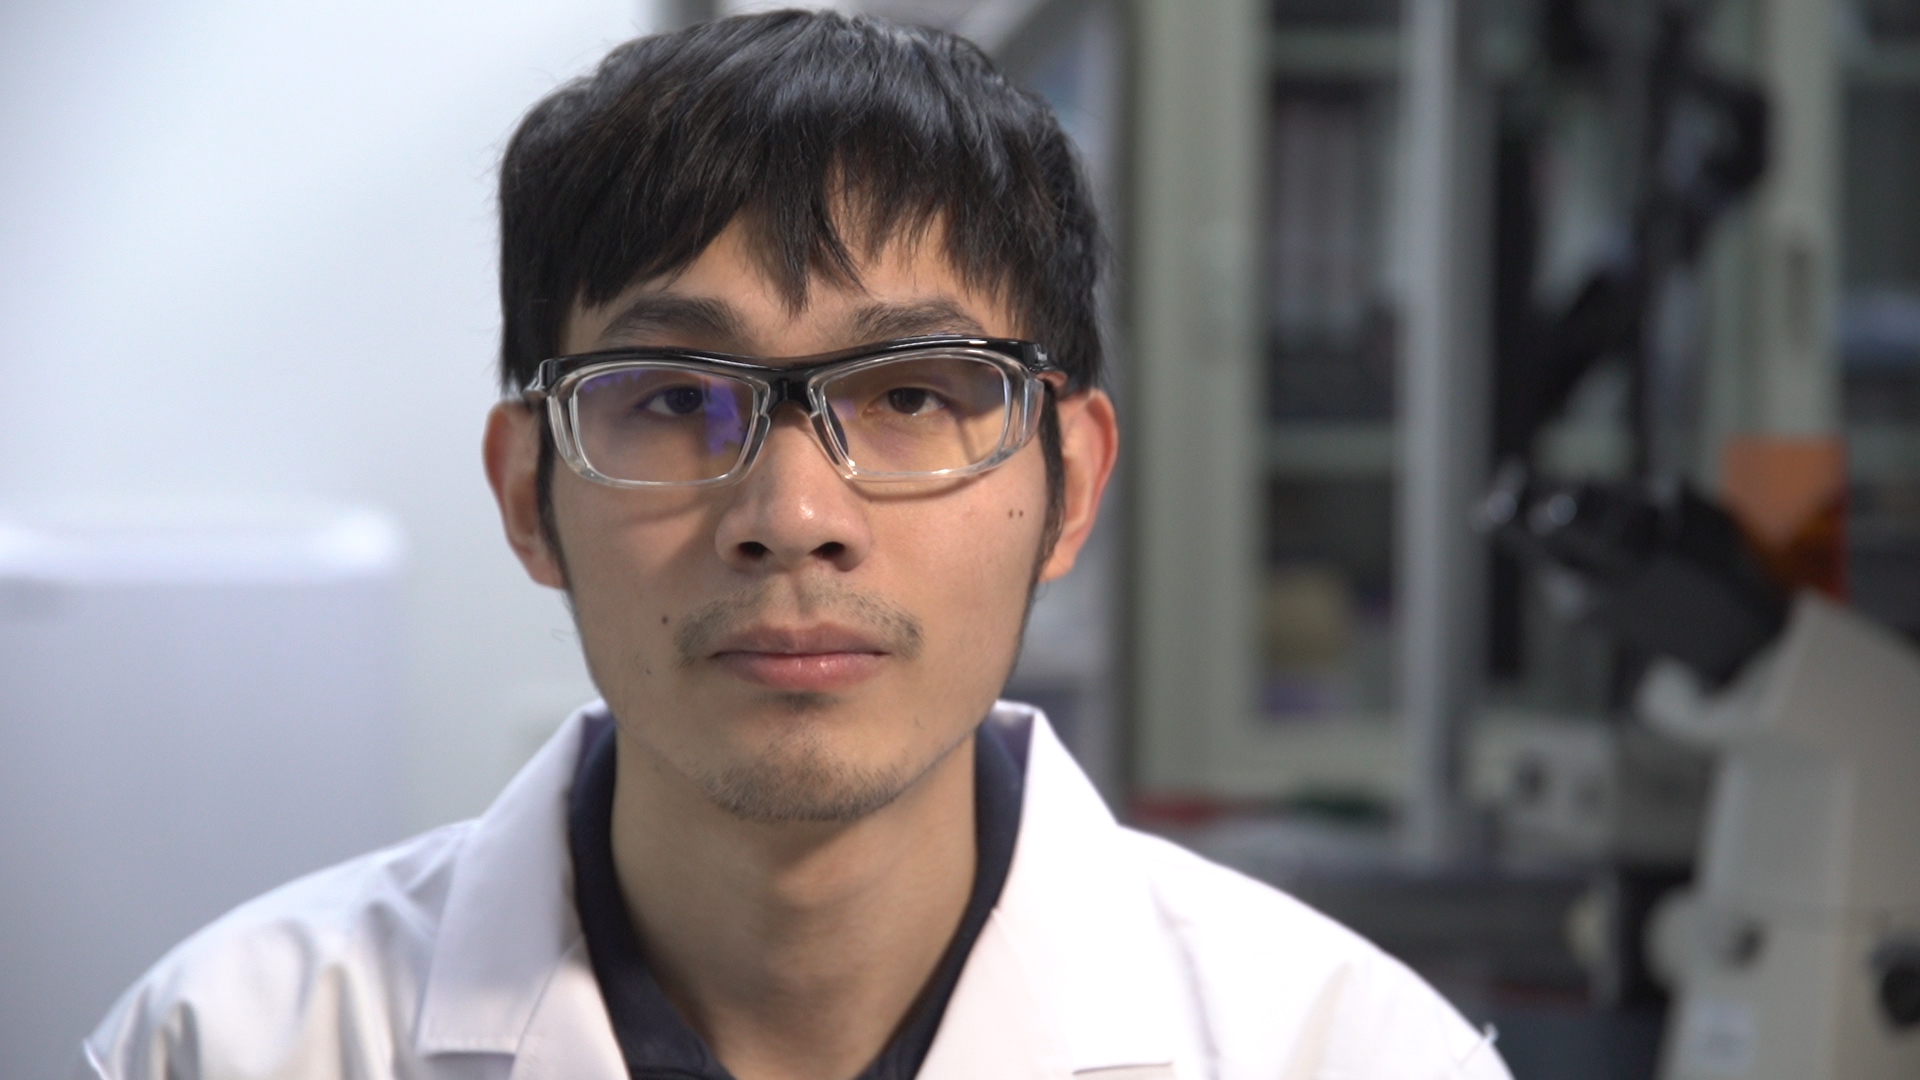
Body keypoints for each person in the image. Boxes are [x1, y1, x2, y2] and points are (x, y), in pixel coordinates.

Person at [77, 11, 1510, 1080]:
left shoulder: (1351, 1055)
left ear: (1072, 485)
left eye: (912, 397)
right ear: (527, 494)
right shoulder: (233, 1043)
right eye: (671, 400)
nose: (793, 519)